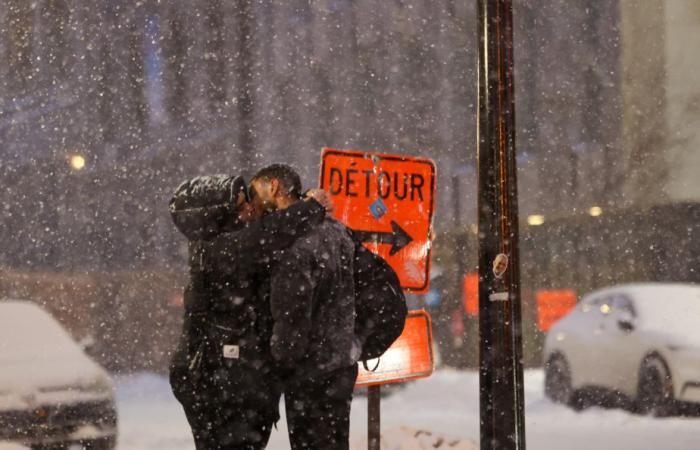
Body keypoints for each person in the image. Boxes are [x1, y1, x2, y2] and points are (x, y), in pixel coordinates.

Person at [168, 174, 332, 450]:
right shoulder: (217, 249)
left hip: (228, 378)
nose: (249, 210)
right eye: (240, 205)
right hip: (216, 383)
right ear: (216, 216)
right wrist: (311, 208)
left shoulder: (219, 246)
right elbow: (265, 236)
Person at [248, 164, 359, 450]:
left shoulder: (292, 242)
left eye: (256, 190)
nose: (253, 200)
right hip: (342, 363)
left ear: (273, 186)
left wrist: (280, 362)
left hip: (309, 370)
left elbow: (290, 314)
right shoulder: (339, 232)